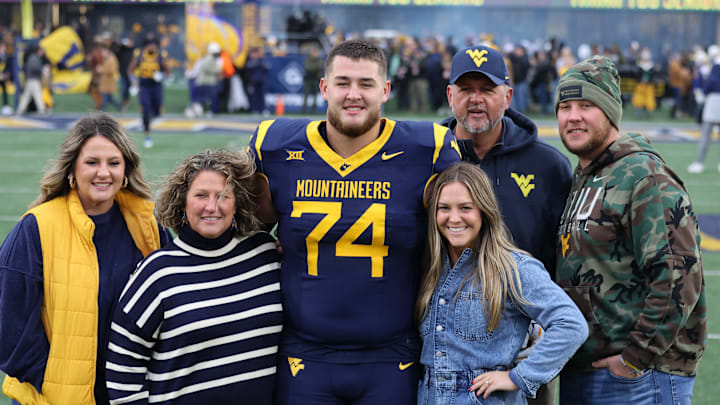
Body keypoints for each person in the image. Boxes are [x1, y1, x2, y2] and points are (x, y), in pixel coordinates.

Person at [249, 39, 461, 405]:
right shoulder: (275, 146)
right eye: (343, 82)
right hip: (304, 355)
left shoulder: (429, 150)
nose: (353, 95)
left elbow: (468, 237)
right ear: (324, 87)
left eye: (365, 84)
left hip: (392, 355)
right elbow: (249, 232)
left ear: (385, 90)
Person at [554, 55, 706, 404]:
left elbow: (678, 276)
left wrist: (635, 359)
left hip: (638, 379)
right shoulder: (586, 177)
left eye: (586, 105)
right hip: (590, 371)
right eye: (565, 106)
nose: (573, 116)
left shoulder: (643, 175)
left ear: (609, 111)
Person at [0, 113, 170, 404]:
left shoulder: (147, 225)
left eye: (113, 163)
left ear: (126, 170)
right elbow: (8, 324)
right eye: (92, 162)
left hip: (126, 396)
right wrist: (53, 380)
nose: (103, 173)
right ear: (72, 168)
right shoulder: (36, 227)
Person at [440, 45, 572, 405]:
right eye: (466, 89)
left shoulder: (549, 166)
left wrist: (547, 323)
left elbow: (566, 252)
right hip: (445, 346)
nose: (476, 100)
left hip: (526, 344)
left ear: (508, 96)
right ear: (450, 95)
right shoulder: (428, 158)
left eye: (488, 90)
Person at [105, 149, 282, 404]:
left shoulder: (265, 254)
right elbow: (123, 366)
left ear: (237, 203)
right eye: (201, 196)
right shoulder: (157, 273)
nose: (212, 206)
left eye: (223, 196)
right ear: (182, 203)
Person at [416, 162, 587, 405]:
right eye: (444, 208)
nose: (454, 218)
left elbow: (571, 324)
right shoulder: (430, 269)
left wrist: (518, 377)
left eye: (466, 208)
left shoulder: (513, 268)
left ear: (484, 211)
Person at [128, 34, 167, 148]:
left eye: (153, 45)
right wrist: (134, 81)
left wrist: (162, 75)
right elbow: (130, 70)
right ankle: (147, 135)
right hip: (144, 86)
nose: (151, 48)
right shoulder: (140, 56)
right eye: (149, 45)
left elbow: (168, 71)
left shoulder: (160, 57)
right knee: (145, 109)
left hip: (156, 86)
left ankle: (148, 122)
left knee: (157, 112)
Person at [688, 57, 720, 174]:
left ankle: (699, 163)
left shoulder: (713, 75)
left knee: (705, 137)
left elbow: (704, 92)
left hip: (711, 109)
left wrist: (699, 96)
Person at [16, 45, 46, 115]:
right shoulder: (33, 58)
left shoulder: (34, 57)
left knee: (26, 96)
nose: (42, 53)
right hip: (33, 79)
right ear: (38, 51)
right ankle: (42, 110)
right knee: (37, 95)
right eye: (41, 51)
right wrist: (42, 69)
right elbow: (34, 68)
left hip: (31, 79)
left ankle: (20, 110)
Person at [98, 46, 122, 111]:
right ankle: (120, 107)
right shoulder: (106, 59)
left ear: (107, 52)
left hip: (109, 82)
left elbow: (112, 70)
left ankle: (102, 110)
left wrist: (102, 70)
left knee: (104, 97)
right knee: (109, 98)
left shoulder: (112, 59)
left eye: (103, 52)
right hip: (105, 82)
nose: (102, 54)